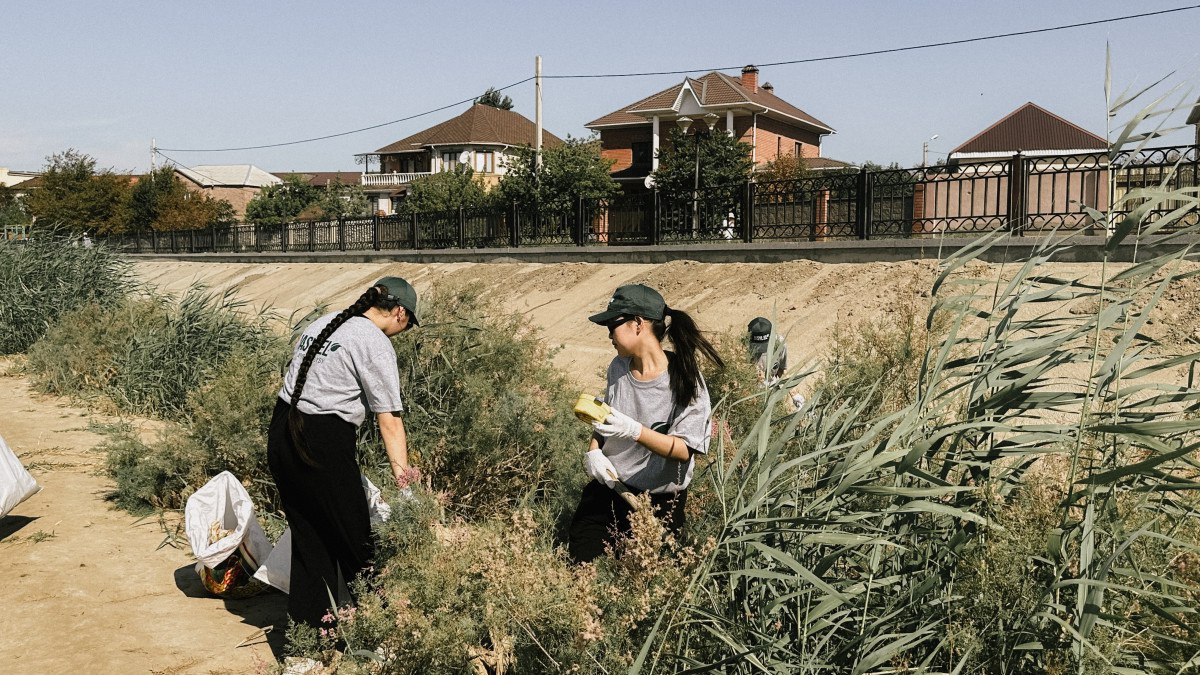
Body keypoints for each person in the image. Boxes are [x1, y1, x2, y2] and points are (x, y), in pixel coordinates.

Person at [268, 276, 418, 629]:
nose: (405, 330)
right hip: (321, 443)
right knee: (358, 544)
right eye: (409, 324)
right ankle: (386, 632)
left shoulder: (325, 321)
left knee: (311, 543)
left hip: (282, 434)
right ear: (399, 312)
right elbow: (390, 421)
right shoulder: (373, 342)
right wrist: (405, 485)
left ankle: (304, 648)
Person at [568, 284, 723, 563]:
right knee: (581, 564)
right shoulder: (618, 367)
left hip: (659, 504)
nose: (609, 334)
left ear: (638, 323)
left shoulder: (686, 379)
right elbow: (605, 419)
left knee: (651, 576)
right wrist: (594, 451)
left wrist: (635, 431)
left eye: (612, 325)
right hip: (611, 490)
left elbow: (684, 450)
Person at [747, 316, 787, 385]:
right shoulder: (741, 350)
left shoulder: (780, 344)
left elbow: (782, 369)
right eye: (758, 346)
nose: (762, 351)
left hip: (772, 386)